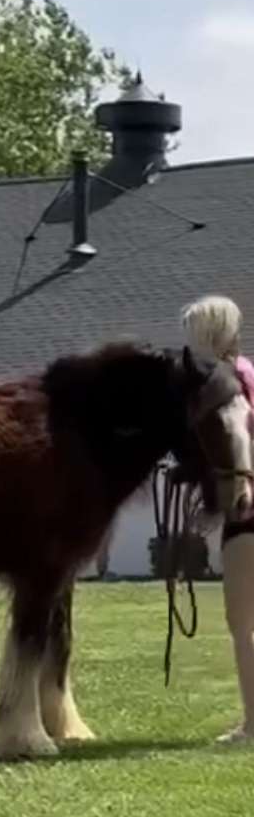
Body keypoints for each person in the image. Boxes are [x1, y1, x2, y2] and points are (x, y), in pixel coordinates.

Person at [181, 294, 254, 742]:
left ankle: (253, 725)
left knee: (242, 624)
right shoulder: (250, 373)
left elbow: (237, 432)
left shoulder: (223, 382)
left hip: (248, 514)